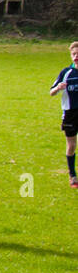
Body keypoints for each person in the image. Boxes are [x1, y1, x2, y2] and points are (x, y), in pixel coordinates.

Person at [48, 41, 78, 189]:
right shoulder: (66, 73)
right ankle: (72, 175)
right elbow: (51, 92)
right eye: (74, 54)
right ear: (71, 56)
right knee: (71, 145)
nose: (76, 56)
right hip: (70, 114)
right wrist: (58, 88)